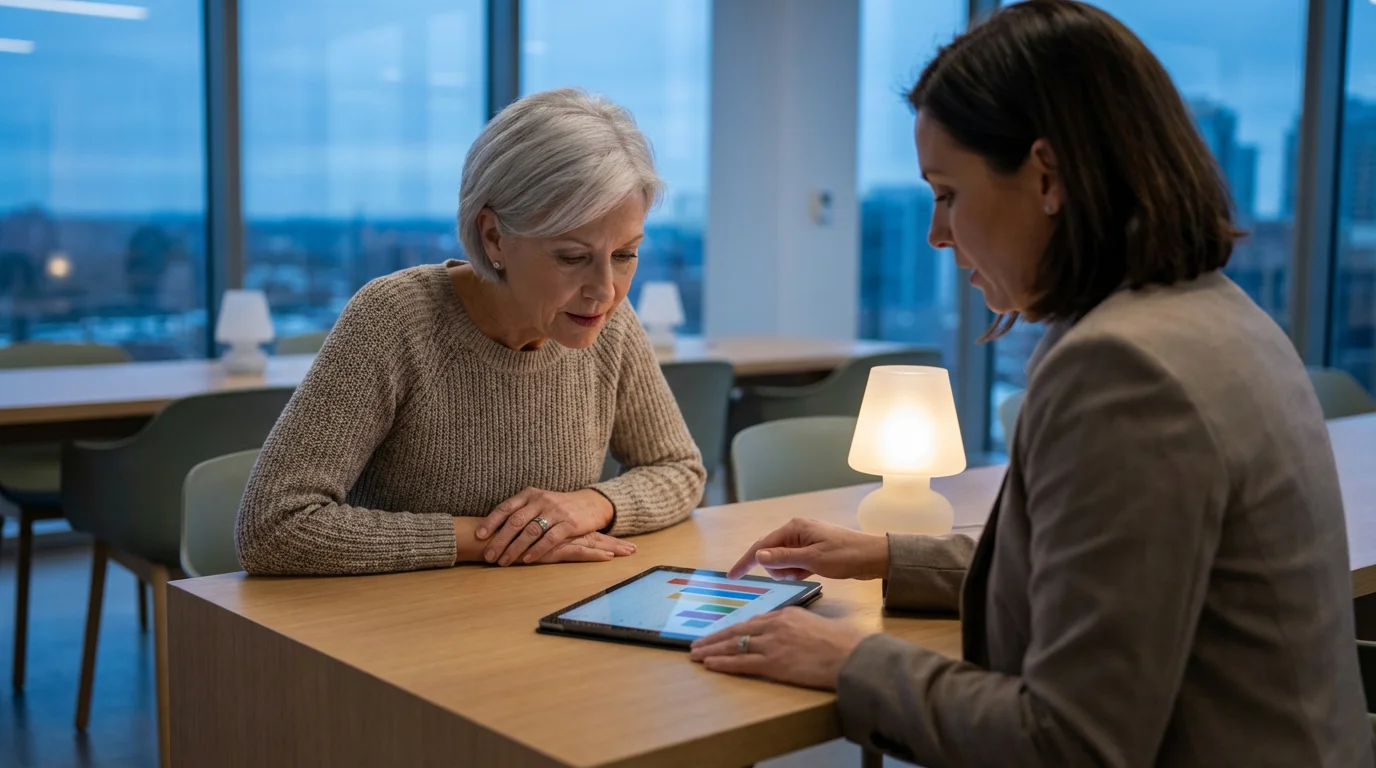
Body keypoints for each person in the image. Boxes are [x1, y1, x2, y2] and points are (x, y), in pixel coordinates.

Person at [690, 2, 1374, 765]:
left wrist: (846, 660)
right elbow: (1109, 583)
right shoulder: (1216, 314)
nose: (936, 234)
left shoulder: (1123, 369)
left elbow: (1070, 743)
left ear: (1047, 175)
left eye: (947, 192)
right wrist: (888, 553)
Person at [236, 88, 706, 576]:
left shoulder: (609, 324)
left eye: (625, 255)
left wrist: (594, 504)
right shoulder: (394, 319)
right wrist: (488, 539)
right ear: (493, 235)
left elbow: (679, 470)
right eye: (572, 257)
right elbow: (273, 528)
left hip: (536, 611)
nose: (606, 291)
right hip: (395, 625)